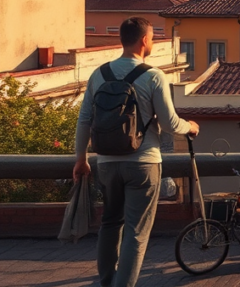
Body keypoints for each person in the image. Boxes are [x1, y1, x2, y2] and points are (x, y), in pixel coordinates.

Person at [73, 17, 199, 287]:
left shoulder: (99, 74)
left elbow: (84, 119)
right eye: (152, 38)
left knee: (109, 223)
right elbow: (169, 123)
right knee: (136, 232)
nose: (152, 42)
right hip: (143, 163)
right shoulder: (153, 75)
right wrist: (191, 127)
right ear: (144, 40)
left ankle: (107, 281)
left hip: (105, 163)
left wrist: (81, 159)